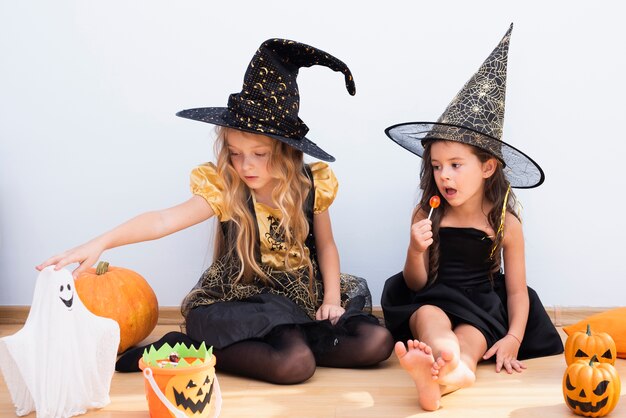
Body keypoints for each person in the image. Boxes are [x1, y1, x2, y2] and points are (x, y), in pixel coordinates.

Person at [38, 38, 393, 384]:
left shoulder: (311, 183)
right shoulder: (227, 186)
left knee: (375, 343)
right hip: (247, 298)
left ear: (285, 151)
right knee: (295, 364)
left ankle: (286, 341)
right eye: (236, 152)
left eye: (258, 154)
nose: (245, 165)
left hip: (302, 295)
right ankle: (193, 348)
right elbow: (164, 220)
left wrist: (331, 299)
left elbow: (327, 246)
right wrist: (101, 243)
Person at [381, 24, 563, 411]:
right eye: (436, 165)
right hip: (432, 297)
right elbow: (415, 282)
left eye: (456, 164)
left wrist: (513, 337)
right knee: (431, 320)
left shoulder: (504, 224)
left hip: (482, 307)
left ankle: (450, 374)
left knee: (472, 340)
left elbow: (516, 291)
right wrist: (416, 249)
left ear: (487, 168)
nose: (443, 175)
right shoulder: (427, 211)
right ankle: (441, 362)